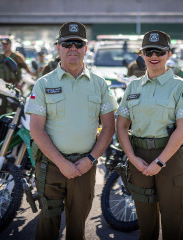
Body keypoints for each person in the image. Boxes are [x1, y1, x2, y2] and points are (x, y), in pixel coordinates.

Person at [26, 22, 117, 240]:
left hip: (85, 166)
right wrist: (61, 162)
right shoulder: (43, 84)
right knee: (47, 225)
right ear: (58, 48)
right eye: (67, 43)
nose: (73, 48)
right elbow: (36, 130)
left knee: (77, 227)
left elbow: (109, 127)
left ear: (86, 49)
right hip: (51, 166)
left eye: (79, 43)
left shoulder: (99, 84)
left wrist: (90, 159)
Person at [117, 30, 183, 240]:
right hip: (139, 159)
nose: (154, 56)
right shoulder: (133, 86)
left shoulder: (179, 86)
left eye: (159, 52)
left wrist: (160, 162)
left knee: (173, 223)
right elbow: (121, 126)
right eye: (149, 51)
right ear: (142, 54)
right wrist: (133, 158)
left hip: (169, 159)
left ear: (168, 54)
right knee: (146, 224)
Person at [0, 37, 32, 115]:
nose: (5, 46)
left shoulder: (17, 57)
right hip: (3, 87)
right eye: (3, 44)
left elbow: (28, 72)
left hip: (15, 87)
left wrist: (21, 84)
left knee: (17, 109)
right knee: (2, 109)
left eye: (6, 44)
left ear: (10, 44)